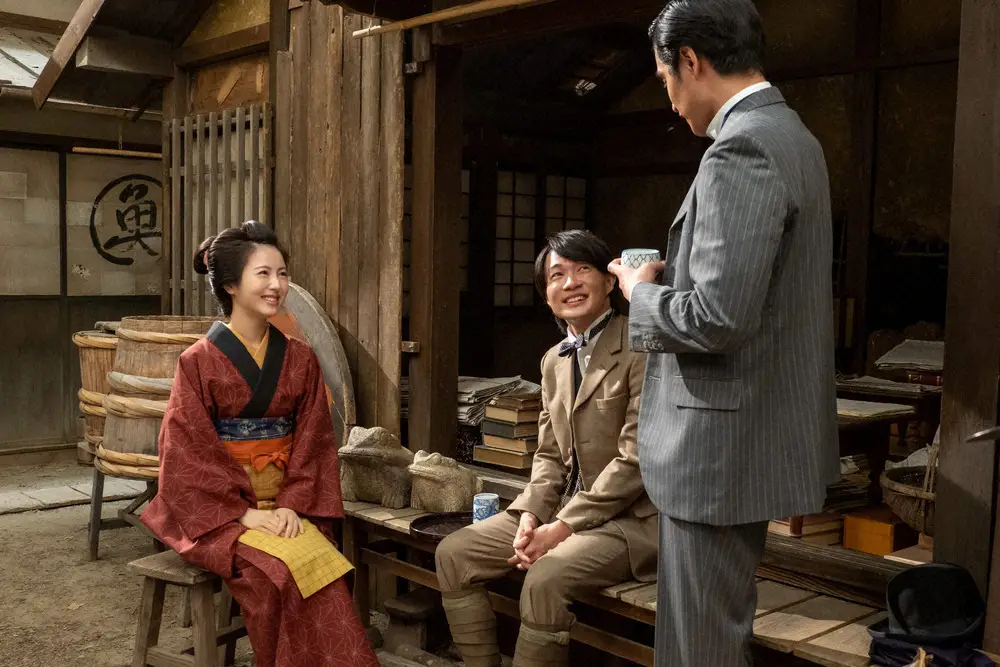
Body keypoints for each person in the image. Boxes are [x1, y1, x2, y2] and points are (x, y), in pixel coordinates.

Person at [607, 1, 839, 665]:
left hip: (715, 452)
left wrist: (639, 291)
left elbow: (716, 317)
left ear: (690, 61)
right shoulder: (794, 137)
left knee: (699, 647)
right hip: (743, 437)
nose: (671, 100)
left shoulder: (742, 147)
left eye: (665, 81)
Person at [141, 221, 379, 667]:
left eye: (282, 274)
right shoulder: (197, 362)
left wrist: (292, 505)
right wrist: (243, 514)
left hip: (287, 507)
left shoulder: (300, 357)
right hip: (221, 516)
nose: (277, 285)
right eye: (264, 274)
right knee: (276, 575)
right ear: (231, 285)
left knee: (324, 570)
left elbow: (313, 441)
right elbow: (185, 452)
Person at [435, 230, 656, 667]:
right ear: (547, 295)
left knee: (544, 579)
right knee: (454, 554)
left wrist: (561, 528)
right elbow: (549, 455)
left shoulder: (641, 346)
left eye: (583, 269)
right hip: (560, 510)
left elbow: (635, 461)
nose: (570, 283)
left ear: (610, 281)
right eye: (557, 275)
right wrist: (531, 515)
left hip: (629, 520)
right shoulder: (553, 360)